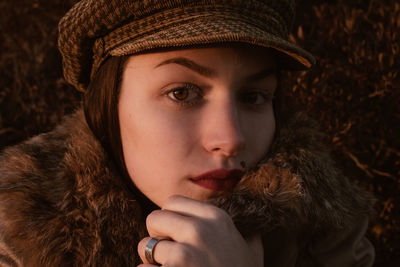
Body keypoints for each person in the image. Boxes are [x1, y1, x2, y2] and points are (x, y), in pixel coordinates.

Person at [0, 0, 375, 266]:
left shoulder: (325, 234)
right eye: (181, 93)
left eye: (254, 96)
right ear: (108, 106)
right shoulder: (17, 236)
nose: (230, 139)